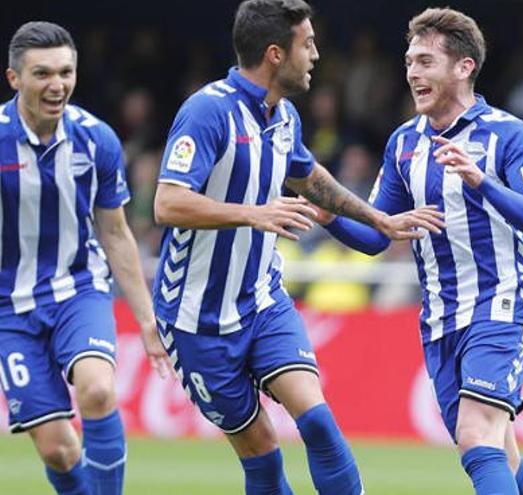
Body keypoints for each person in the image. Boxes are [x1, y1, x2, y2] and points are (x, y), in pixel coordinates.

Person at [151, 1, 441, 494]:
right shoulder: (208, 111)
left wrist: (377, 218)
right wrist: (253, 213)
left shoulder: (282, 117)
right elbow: (167, 203)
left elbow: (307, 176)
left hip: (262, 302)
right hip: (195, 318)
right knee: (262, 454)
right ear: (274, 54)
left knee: (319, 422)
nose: (316, 54)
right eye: (307, 44)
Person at [312, 8, 523, 495]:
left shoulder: (510, 135)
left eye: (425, 61)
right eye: (409, 62)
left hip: (501, 306)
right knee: (504, 462)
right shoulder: (404, 145)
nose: (413, 73)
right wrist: (332, 217)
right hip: (441, 319)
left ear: (463, 67)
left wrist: (482, 182)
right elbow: (378, 237)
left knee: (476, 439)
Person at [0, 21, 171, 495]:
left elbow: (115, 234)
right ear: (15, 79)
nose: (57, 85)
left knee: (97, 390)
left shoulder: (96, 140)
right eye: (42, 74)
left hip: (79, 288)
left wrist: (146, 319)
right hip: (9, 308)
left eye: (65, 72)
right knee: (58, 450)